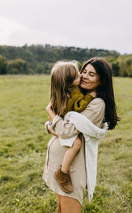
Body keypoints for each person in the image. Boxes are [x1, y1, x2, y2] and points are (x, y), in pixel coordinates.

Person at [43, 57, 120, 213]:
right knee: (60, 208)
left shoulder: (97, 104)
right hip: (58, 161)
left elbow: (66, 131)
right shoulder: (74, 95)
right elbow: (61, 123)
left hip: (72, 169)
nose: (84, 76)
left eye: (91, 74)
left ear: (102, 80)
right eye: (84, 71)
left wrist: (50, 113)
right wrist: (50, 126)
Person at [45, 61, 96, 194]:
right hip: (65, 126)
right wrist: (90, 96)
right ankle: (63, 173)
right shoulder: (73, 93)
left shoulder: (62, 92)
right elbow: (79, 106)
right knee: (77, 143)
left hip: (61, 124)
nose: (81, 75)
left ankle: (63, 171)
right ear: (69, 82)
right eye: (77, 75)